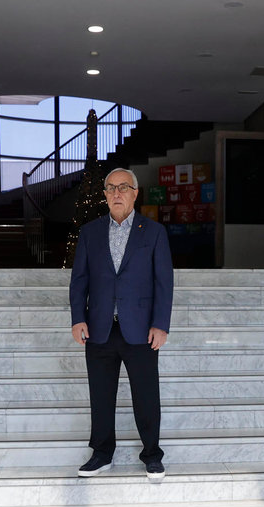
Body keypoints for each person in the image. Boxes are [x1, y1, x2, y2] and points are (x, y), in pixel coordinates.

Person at [69, 168, 174, 480]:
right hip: (100, 327)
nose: (116, 193)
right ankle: (102, 454)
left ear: (135, 193)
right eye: (111, 188)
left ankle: (152, 454)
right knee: (101, 395)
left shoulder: (153, 232)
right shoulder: (90, 233)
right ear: (104, 195)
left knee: (146, 395)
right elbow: (79, 281)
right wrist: (78, 318)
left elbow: (163, 282)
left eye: (123, 187)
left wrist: (160, 324)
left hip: (141, 329)